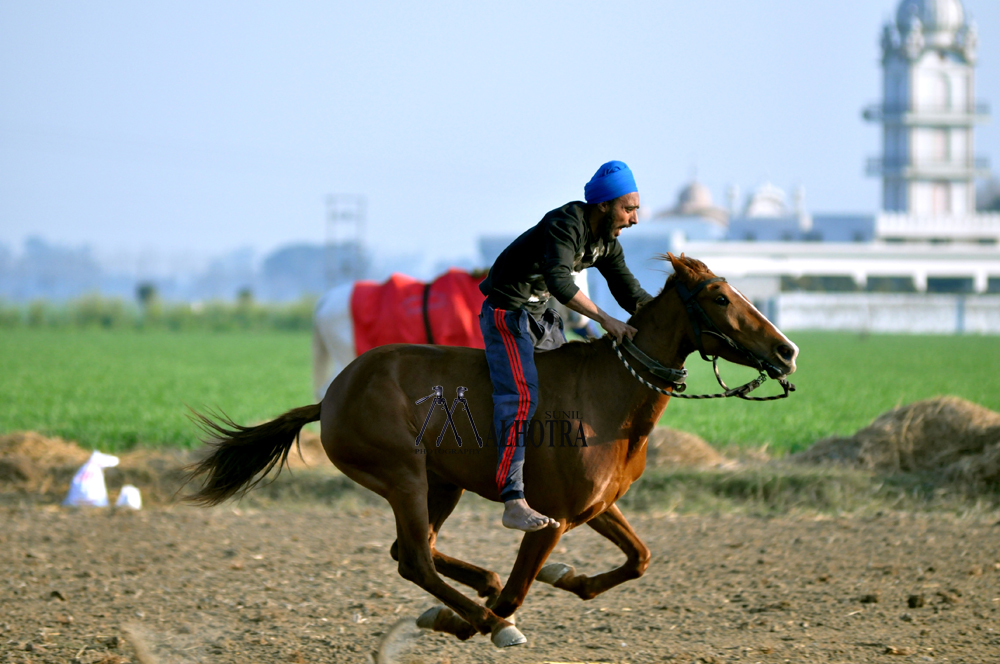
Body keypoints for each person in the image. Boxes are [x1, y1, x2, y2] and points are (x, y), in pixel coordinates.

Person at [478, 161, 654, 532]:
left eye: (636, 209)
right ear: (603, 205)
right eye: (629, 208)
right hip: (507, 314)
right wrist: (605, 320)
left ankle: (549, 478)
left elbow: (630, 293)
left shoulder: (607, 242)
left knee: (563, 395)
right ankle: (513, 499)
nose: (635, 219)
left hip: (542, 318)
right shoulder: (566, 223)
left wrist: (671, 317)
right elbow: (559, 282)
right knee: (522, 398)